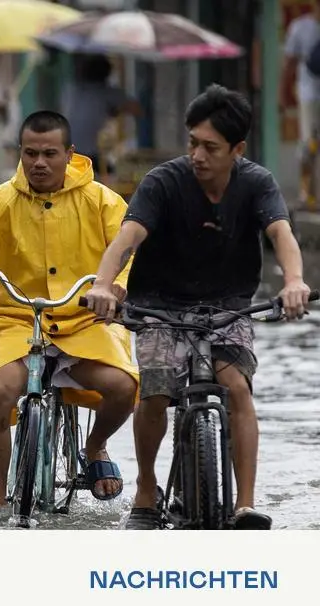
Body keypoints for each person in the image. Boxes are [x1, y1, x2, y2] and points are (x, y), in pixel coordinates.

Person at [83, 85, 312, 531]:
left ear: (237, 149)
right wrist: (104, 285)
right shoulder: (162, 182)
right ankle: (147, 488)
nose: (198, 155)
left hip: (228, 305)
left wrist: (295, 282)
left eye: (210, 147)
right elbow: (126, 239)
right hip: (160, 305)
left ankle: (244, 503)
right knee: (154, 390)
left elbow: (282, 236)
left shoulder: (257, 183)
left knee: (237, 388)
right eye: (192, 143)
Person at [0, 110, 138, 511]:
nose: (39, 163)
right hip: (19, 324)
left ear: (70, 154)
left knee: (124, 387)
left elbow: (132, 252)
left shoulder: (102, 200)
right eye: (31, 153)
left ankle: (95, 447)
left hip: (85, 322)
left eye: (50, 153)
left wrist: (116, 289)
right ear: (20, 152)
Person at [60, 55, 139, 178]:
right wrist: (116, 108)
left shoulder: (71, 89)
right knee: (113, 175)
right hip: (86, 152)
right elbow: (137, 109)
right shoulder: (107, 92)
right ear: (107, 74)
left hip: (63, 146)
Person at [282, 0, 320, 209]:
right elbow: (289, 63)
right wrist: (283, 93)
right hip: (309, 95)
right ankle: (308, 194)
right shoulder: (300, 27)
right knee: (309, 145)